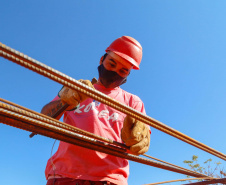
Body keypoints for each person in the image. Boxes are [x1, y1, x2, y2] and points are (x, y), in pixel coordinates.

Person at [42, 36, 151, 185]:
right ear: (101, 60)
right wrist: (64, 101)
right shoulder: (77, 89)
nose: (114, 72)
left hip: (111, 179)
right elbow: (43, 119)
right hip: (65, 176)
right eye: (111, 64)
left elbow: (139, 144)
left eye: (123, 71)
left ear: (128, 75)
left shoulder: (133, 102)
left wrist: (137, 140)